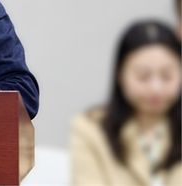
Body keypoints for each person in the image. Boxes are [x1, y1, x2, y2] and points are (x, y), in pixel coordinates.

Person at [70, 20, 182, 185]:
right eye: (143, 76)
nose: (156, 88)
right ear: (120, 75)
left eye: (166, 76)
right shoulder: (91, 128)